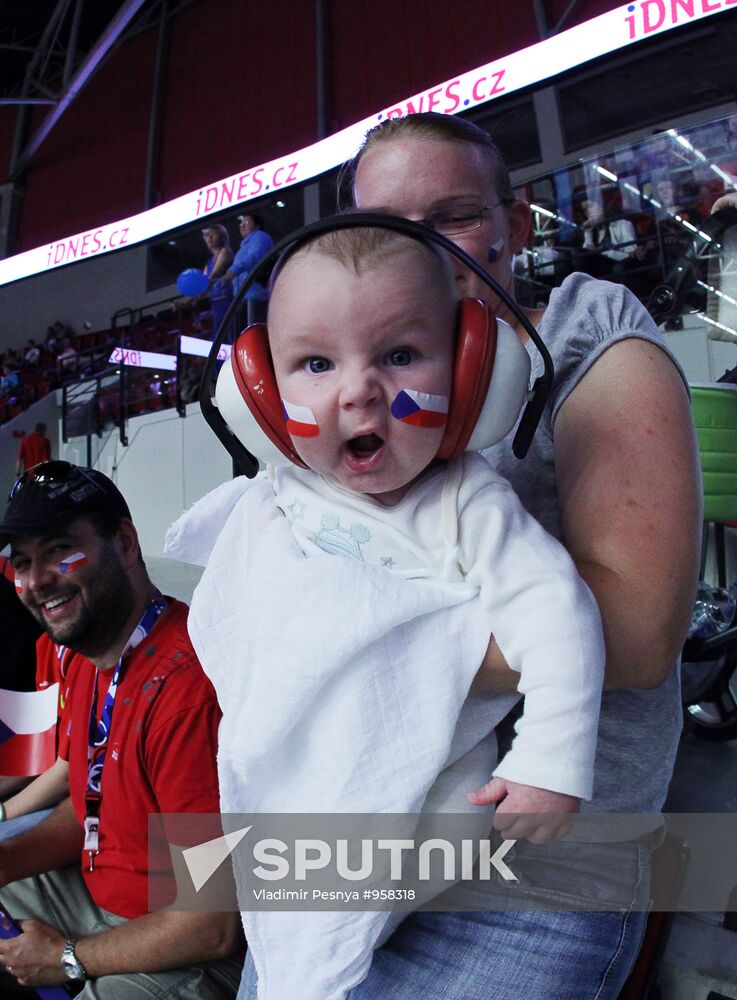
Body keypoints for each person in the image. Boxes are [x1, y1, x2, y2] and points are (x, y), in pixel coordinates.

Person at [169, 225, 605, 999]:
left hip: (424, 796)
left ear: (476, 375)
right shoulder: (276, 497)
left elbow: (559, 615)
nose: (359, 390)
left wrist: (550, 760)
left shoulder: (468, 502)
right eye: (314, 364)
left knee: (330, 931)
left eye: (400, 355)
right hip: (296, 783)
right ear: (260, 400)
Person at [340, 111, 702, 998]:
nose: (418, 252)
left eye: (451, 217)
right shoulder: (354, 393)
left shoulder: (594, 345)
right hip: (359, 842)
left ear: (518, 223)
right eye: (385, 228)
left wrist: (340, 654)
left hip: (538, 865)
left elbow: (637, 631)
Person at [0, 461, 242, 998]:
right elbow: (92, 809)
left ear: (126, 543)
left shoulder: (188, 691)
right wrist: (6, 859)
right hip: (101, 900)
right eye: (22, 562)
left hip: (186, 945)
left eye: (60, 550)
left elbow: (212, 923)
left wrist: (66, 958)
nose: (37, 580)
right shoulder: (89, 656)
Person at [224, 213, 274, 325]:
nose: (242, 226)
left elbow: (255, 256)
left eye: (246, 223)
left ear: (257, 226)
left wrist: (235, 269)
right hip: (243, 299)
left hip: (255, 297)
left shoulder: (260, 236)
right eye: (241, 223)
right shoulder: (243, 247)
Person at [202, 223, 235, 338]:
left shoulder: (225, 251)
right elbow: (202, 287)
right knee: (217, 339)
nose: (209, 238)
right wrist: (186, 301)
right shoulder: (208, 263)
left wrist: (189, 300)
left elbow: (213, 275)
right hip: (215, 303)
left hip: (228, 300)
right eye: (207, 236)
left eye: (213, 235)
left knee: (230, 336)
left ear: (222, 237)